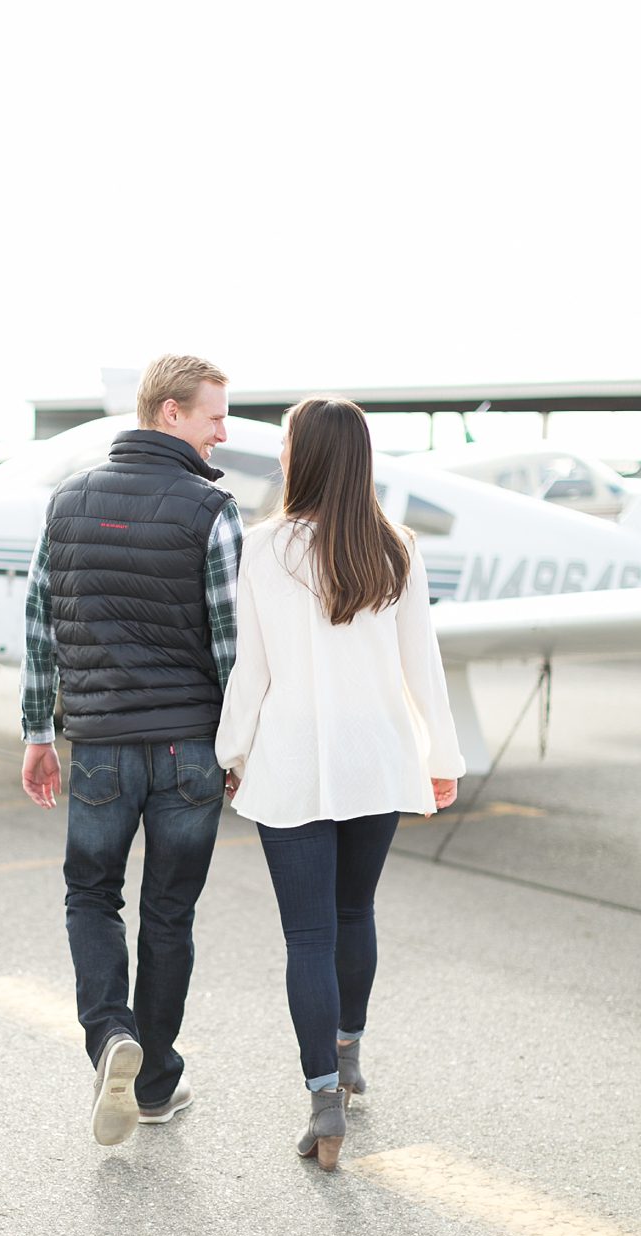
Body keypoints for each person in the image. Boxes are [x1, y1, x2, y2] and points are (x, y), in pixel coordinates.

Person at [214, 396, 465, 1172]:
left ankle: (324, 1097)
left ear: (303, 456)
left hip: (292, 761)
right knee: (356, 910)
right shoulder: (397, 547)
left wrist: (230, 750)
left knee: (308, 935)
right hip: (380, 759)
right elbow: (423, 664)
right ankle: (349, 1052)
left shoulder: (263, 548)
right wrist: (442, 759)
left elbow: (250, 672)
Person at [20, 353, 245, 1147]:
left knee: (92, 895)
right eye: (214, 414)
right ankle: (152, 1085)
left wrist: (38, 733)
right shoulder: (213, 510)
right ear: (169, 412)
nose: (224, 430)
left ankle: (110, 1032)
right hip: (189, 751)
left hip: (103, 744)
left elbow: (41, 623)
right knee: (169, 913)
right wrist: (240, 746)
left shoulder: (68, 501)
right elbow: (233, 647)